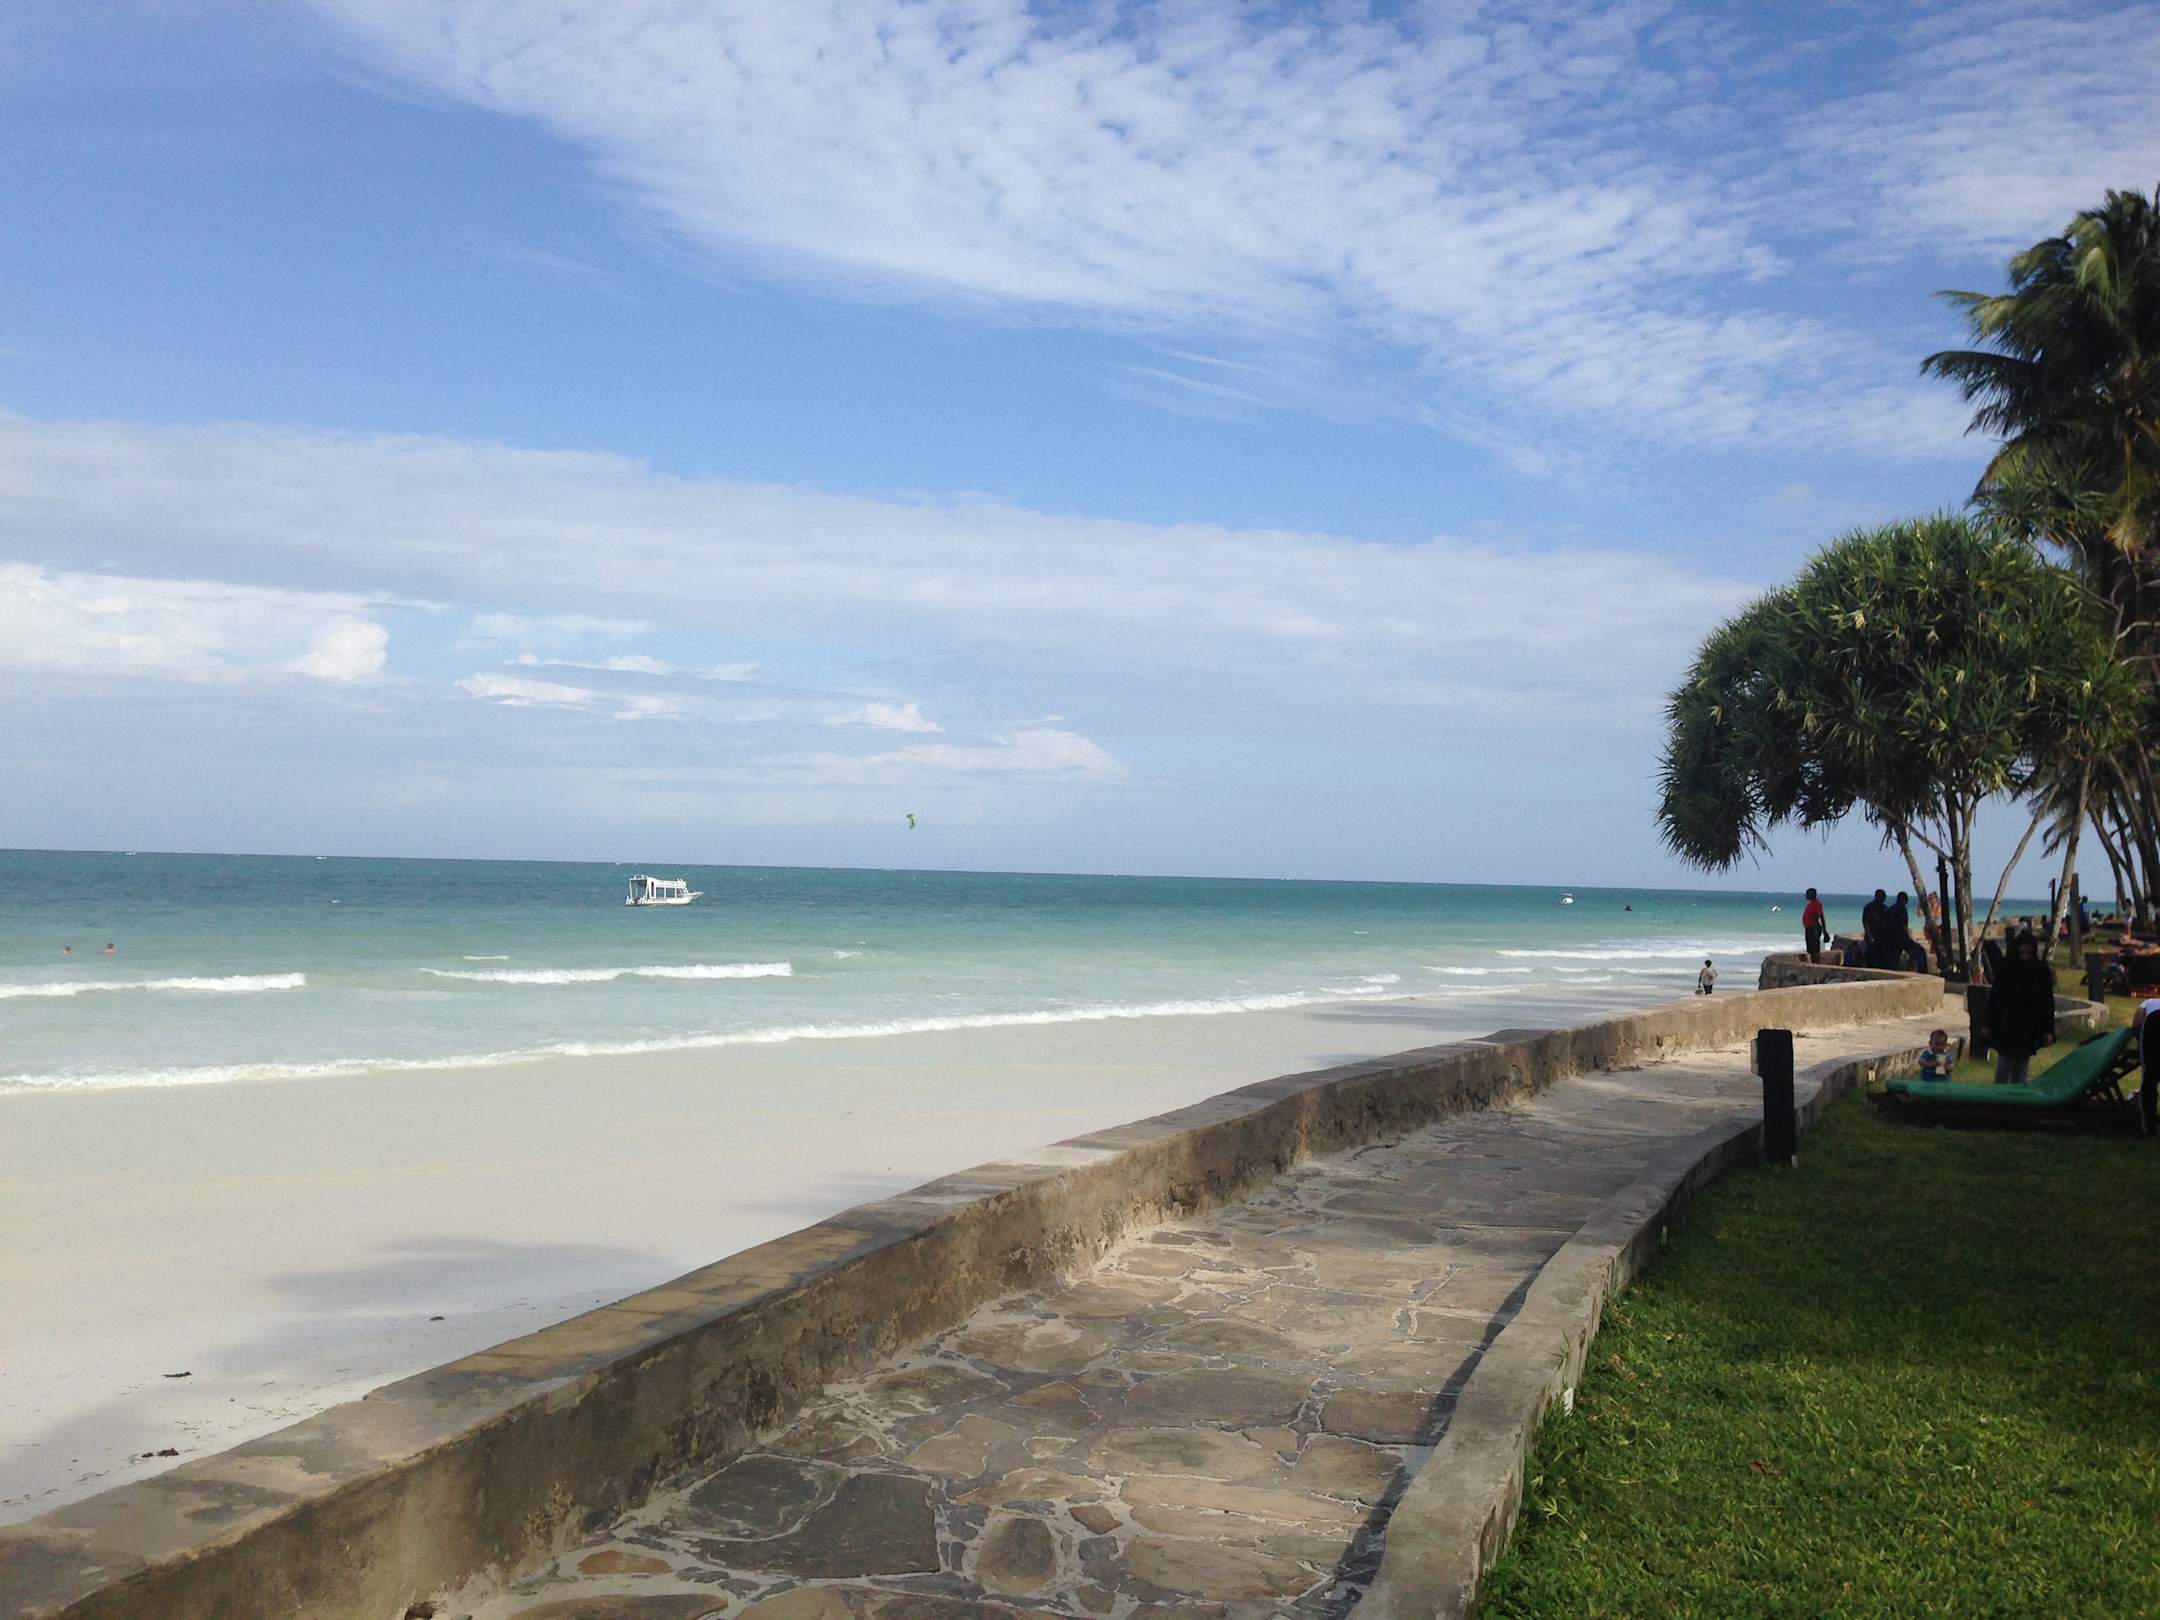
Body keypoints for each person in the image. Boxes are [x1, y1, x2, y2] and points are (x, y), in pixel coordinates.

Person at [1981, 930, 2055, 1086]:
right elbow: (1995, 998)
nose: (2025, 957)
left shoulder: (2040, 970)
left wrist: (2048, 1030)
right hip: (2007, 1023)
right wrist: (1988, 1023)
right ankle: (1999, 1095)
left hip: (2029, 1025)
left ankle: (2017, 1095)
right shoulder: (2007, 968)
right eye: (2022, 953)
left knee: (2022, 1067)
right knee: (2004, 1064)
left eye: (2029, 953)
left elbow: (2047, 1002)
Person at [2135, 996, 2159, 1137]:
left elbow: (2137, 1023)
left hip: (2154, 1023)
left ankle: (2149, 1126)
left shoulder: (2147, 1003)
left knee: (2150, 1079)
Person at [1861, 888, 1889, 968]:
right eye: (1882, 896)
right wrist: (1869, 936)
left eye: (1884, 896)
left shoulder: (1885, 908)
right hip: (1872, 935)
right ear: (1877, 896)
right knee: (1870, 956)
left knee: (1881, 958)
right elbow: (1865, 922)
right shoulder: (1869, 907)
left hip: (1882, 936)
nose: (1884, 898)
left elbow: (1887, 922)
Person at [1802, 888, 1827, 963]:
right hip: (1810, 928)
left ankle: (1815, 963)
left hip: (1813, 928)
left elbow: (1820, 917)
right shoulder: (1812, 904)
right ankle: (1813, 962)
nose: (1806, 895)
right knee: (1810, 948)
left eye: (1807, 894)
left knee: (1814, 949)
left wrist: (1822, 931)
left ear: (1812, 894)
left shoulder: (1816, 904)